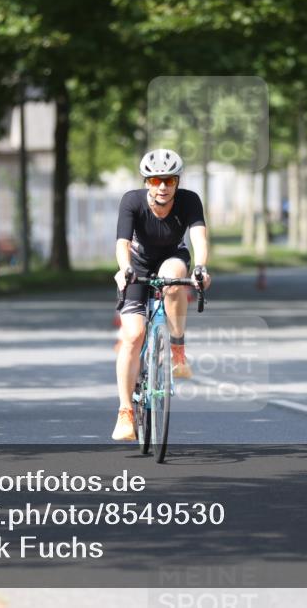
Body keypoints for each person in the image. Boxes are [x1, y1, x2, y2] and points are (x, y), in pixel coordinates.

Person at [111, 149, 211, 442]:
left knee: (173, 279)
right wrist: (124, 268)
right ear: (147, 183)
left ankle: (177, 348)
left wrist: (202, 268)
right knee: (132, 335)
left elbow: (198, 238)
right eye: (156, 181)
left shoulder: (189, 200)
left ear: (177, 182)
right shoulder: (131, 201)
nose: (163, 187)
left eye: (168, 180)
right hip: (137, 264)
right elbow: (121, 243)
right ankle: (125, 411)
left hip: (171, 257)